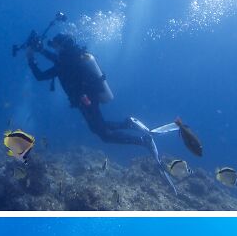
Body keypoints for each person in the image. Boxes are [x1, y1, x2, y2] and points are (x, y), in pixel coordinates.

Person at [26, 33, 154, 149]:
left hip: (86, 100)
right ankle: (128, 124)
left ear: (62, 46)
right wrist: (41, 50)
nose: (55, 48)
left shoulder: (64, 63)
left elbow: (40, 76)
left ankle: (143, 140)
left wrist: (30, 58)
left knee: (104, 135)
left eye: (56, 45)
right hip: (88, 97)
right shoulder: (71, 57)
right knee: (97, 127)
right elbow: (57, 60)